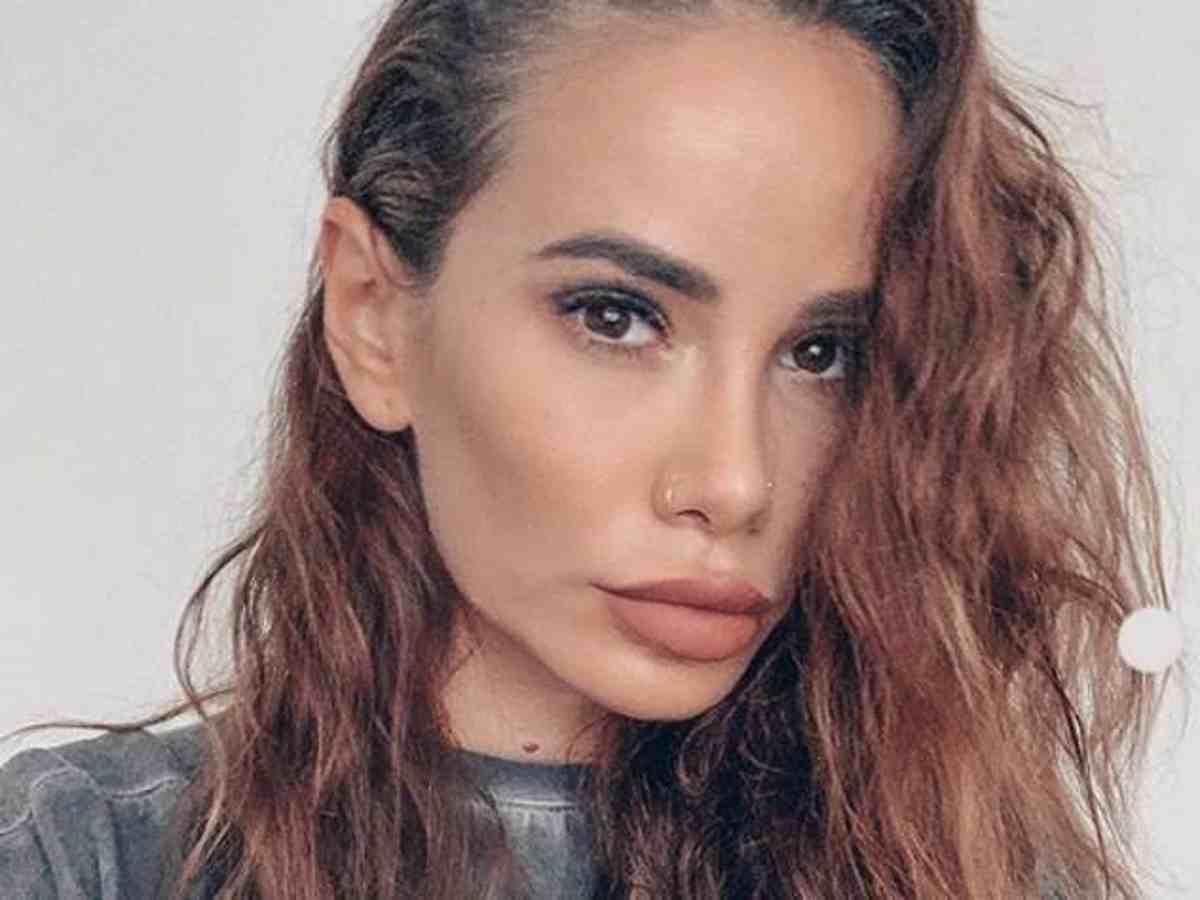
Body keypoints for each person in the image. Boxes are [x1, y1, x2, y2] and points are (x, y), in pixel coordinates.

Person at [0, 0, 1180, 897]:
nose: (735, 482)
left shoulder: (975, 871)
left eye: (823, 352)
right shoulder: (81, 861)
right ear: (372, 315)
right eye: (616, 317)